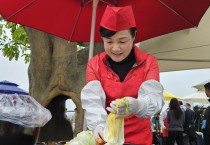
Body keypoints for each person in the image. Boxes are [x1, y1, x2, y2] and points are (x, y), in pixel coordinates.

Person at [80, 5, 164, 145]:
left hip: (140, 140)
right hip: (107, 138)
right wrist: (99, 126)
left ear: (134, 36)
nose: (115, 48)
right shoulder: (94, 64)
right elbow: (93, 102)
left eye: (122, 41)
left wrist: (136, 105)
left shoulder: (149, 62)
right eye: (109, 41)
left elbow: (153, 99)